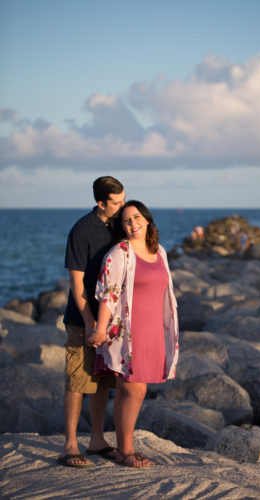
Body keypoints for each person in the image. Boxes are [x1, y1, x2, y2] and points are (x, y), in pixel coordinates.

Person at [93, 200, 179, 468]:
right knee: (133, 390)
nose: (132, 223)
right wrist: (99, 328)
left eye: (136, 217)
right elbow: (109, 293)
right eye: (126, 220)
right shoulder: (120, 252)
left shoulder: (160, 251)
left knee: (131, 391)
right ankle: (126, 451)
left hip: (154, 331)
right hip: (128, 333)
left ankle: (123, 447)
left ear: (148, 220)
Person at [57, 176, 126, 468]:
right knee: (77, 379)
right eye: (117, 202)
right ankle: (70, 444)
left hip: (111, 320)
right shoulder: (82, 230)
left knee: (102, 381)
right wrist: (88, 321)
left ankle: (97, 440)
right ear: (101, 203)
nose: (123, 206)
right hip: (81, 319)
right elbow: (76, 283)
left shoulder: (120, 226)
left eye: (124, 200)